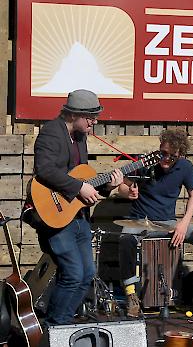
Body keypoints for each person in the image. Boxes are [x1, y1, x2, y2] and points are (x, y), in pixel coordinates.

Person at [26, 89, 123, 326]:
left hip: (77, 216)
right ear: (73, 115)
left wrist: (108, 186)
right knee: (72, 274)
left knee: (87, 274)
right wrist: (79, 188)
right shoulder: (51, 133)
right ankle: (55, 326)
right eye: (90, 117)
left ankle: (62, 323)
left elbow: (84, 179)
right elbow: (45, 170)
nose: (94, 122)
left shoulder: (80, 138)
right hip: (55, 217)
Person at [116, 129, 193, 317]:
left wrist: (184, 223)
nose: (165, 158)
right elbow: (122, 185)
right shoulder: (145, 162)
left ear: (181, 155)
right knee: (125, 239)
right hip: (139, 220)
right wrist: (128, 193)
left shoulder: (185, 167)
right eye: (163, 153)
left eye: (172, 156)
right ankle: (131, 295)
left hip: (168, 222)